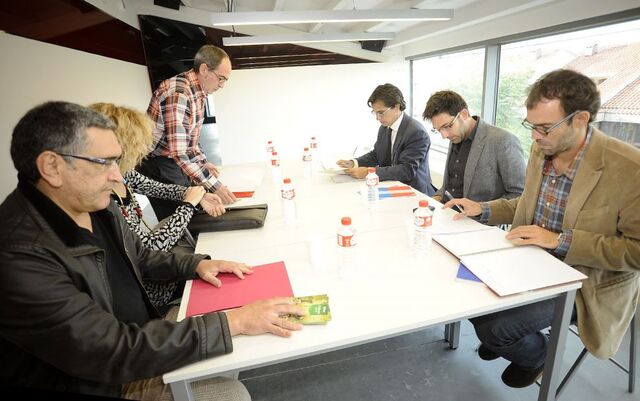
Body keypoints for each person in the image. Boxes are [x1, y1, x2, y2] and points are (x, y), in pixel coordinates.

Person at [0, 101, 305, 400]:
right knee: (229, 393)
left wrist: (195, 265)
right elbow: (111, 351)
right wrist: (234, 321)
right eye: (104, 162)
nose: (118, 175)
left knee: (228, 326)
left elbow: (143, 257)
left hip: (141, 333)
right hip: (112, 379)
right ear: (52, 167)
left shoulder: (93, 204)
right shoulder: (19, 254)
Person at [443, 69, 640, 388]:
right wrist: (484, 208)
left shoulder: (630, 169)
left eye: (544, 128)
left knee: (496, 328)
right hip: (531, 260)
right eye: (531, 126)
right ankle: (511, 342)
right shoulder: (544, 147)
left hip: (585, 283)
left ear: (581, 119)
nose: (534, 136)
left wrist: (560, 240)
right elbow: (527, 205)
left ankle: (537, 355)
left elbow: (636, 251)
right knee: (466, 294)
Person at [89, 102, 227, 311]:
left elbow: (157, 188)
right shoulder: (103, 199)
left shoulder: (124, 173)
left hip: (158, 267)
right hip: (153, 288)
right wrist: (188, 205)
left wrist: (195, 196)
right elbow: (152, 248)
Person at [138, 44, 237, 221]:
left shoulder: (197, 91)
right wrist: (215, 186)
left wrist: (203, 162)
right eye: (221, 78)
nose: (222, 85)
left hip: (170, 158)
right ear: (205, 69)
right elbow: (180, 152)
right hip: (157, 162)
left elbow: (190, 137)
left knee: (195, 199)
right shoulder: (179, 94)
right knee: (181, 215)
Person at [422, 90, 525, 203]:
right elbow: (451, 186)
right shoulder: (455, 136)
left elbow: (519, 196)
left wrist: (482, 209)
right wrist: (435, 199)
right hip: (447, 214)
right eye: (439, 130)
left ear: (464, 114)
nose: (444, 135)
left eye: (447, 126)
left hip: (478, 220)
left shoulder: (503, 141)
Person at [337, 83, 436, 196]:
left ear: (396, 106)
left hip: (415, 193)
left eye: (381, 113)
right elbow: (376, 155)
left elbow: (407, 170)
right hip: (391, 188)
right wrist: (354, 163)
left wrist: (368, 172)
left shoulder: (416, 132)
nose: (377, 118)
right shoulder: (385, 127)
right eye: (375, 113)